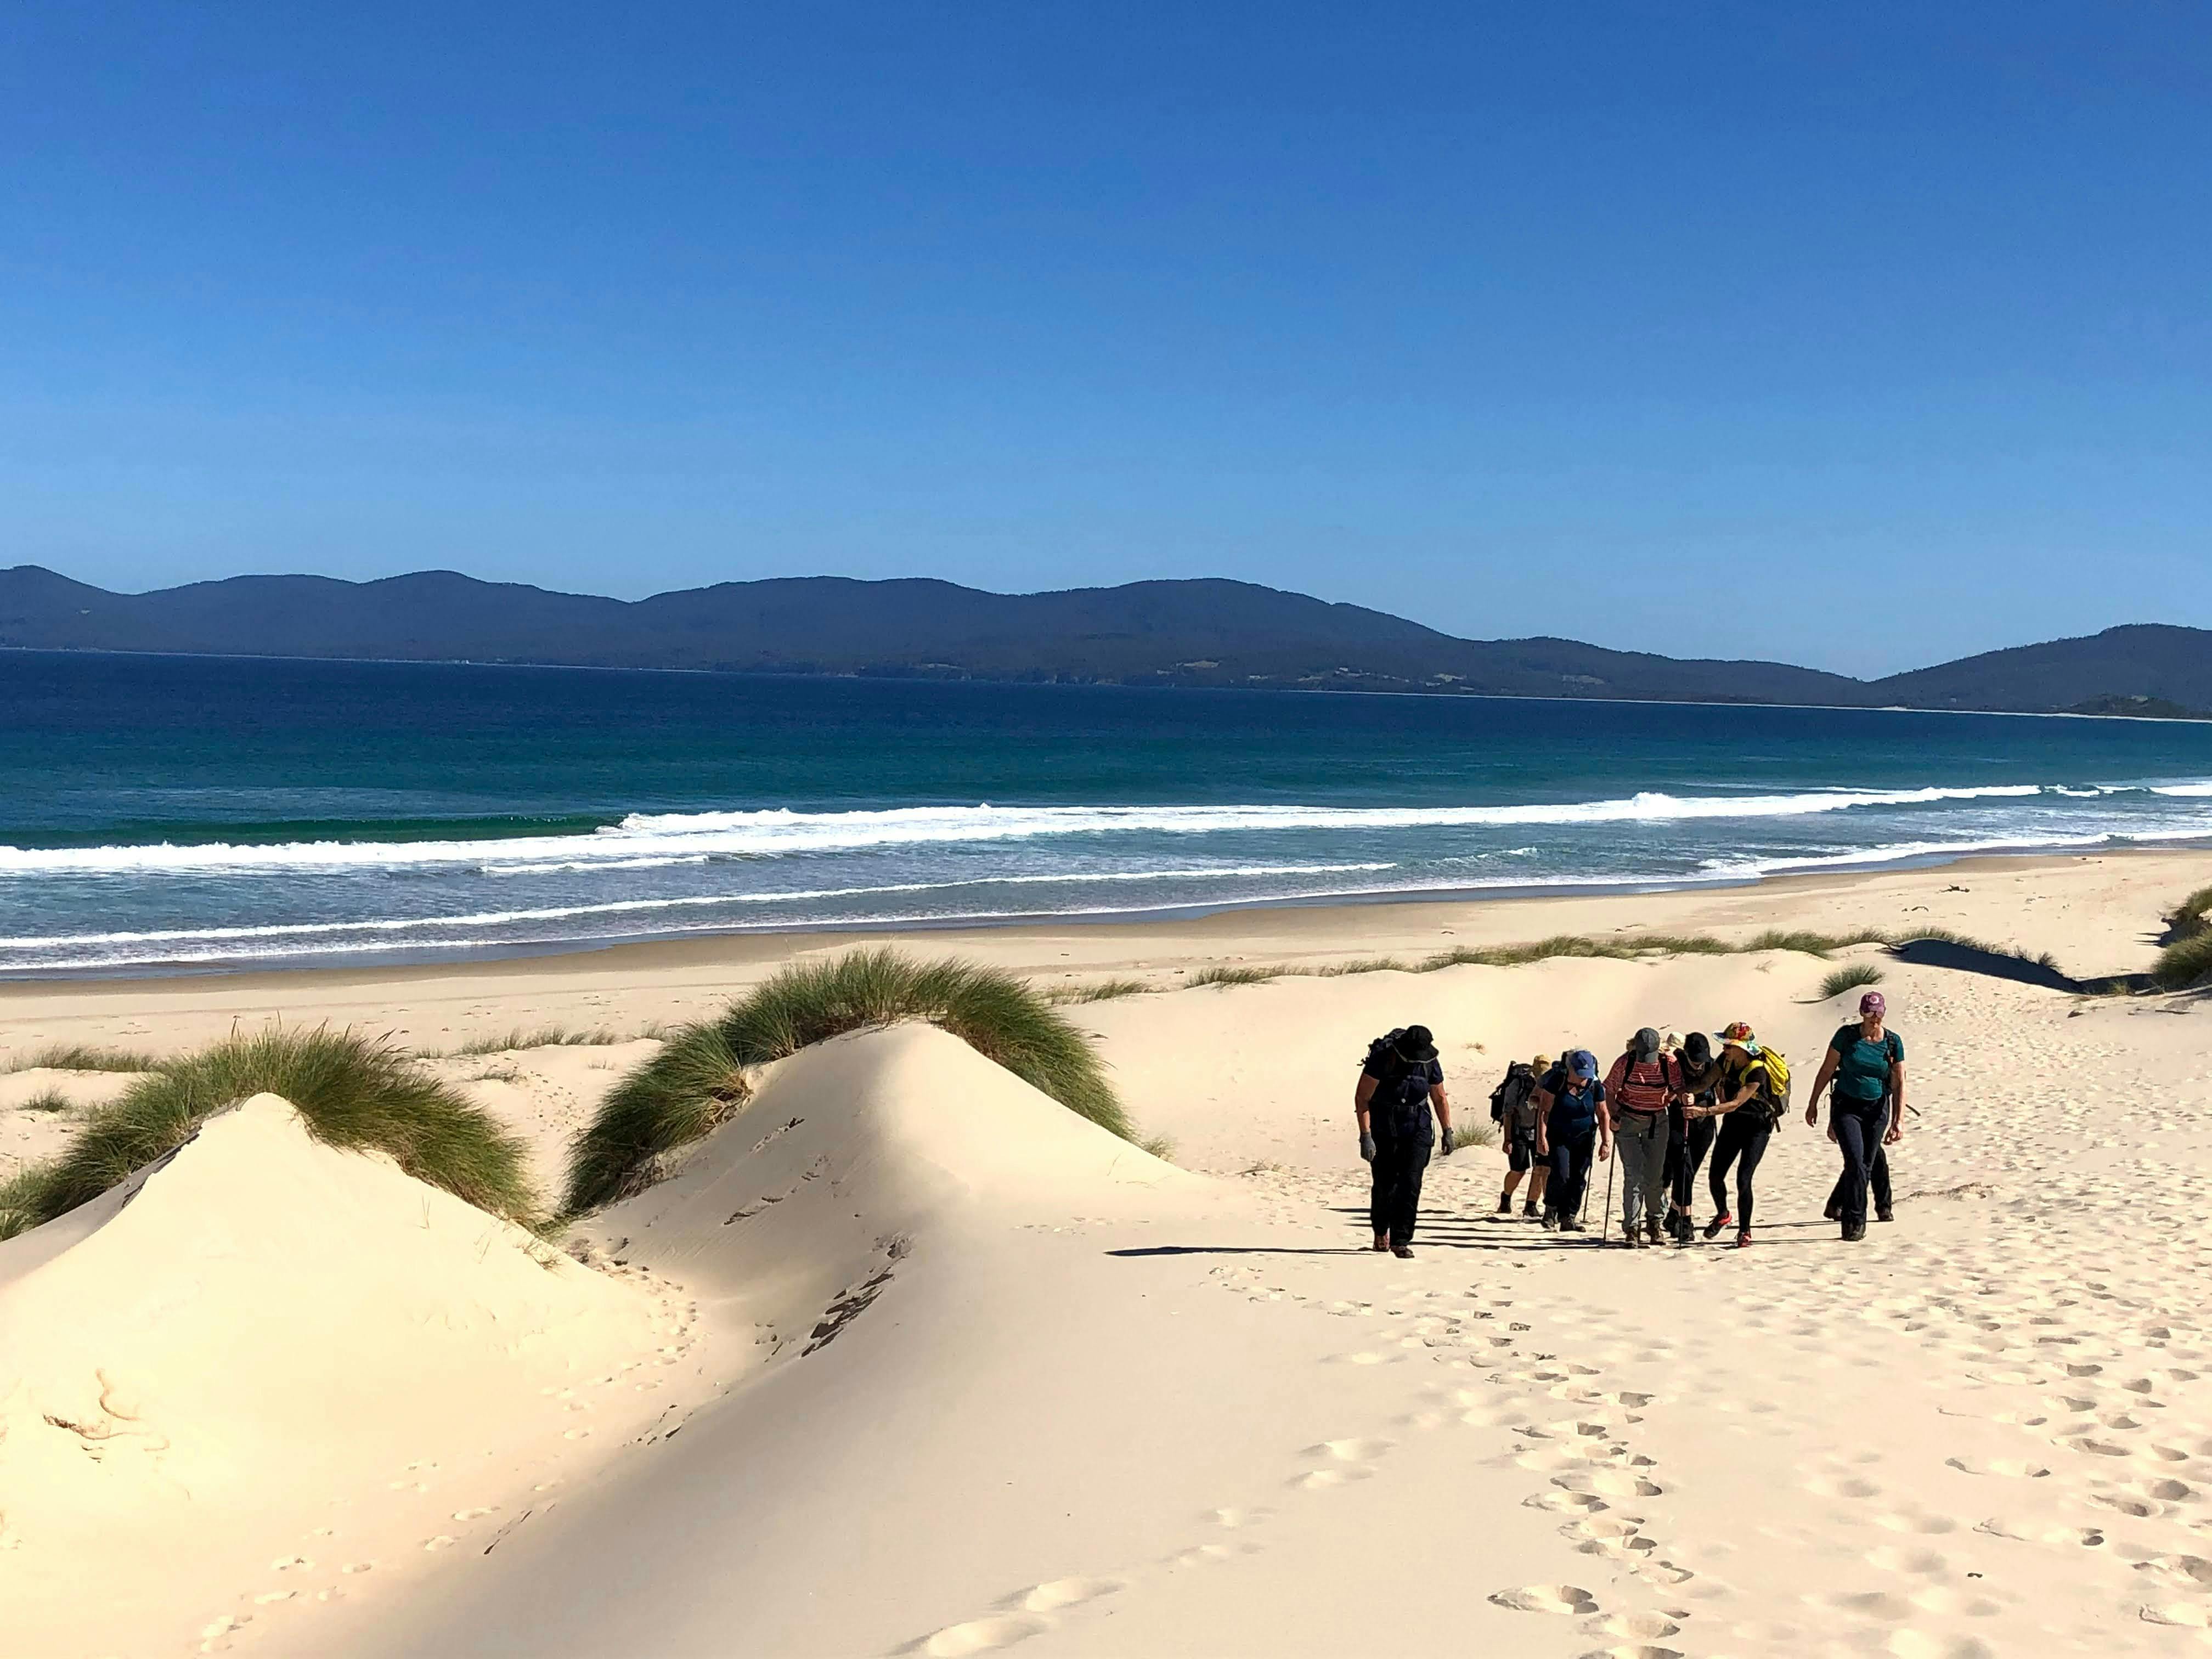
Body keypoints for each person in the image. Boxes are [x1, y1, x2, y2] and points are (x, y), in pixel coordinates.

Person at [1808, 990, 1906, 1242]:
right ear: (1862, 1013)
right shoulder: (1846, 1037)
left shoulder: (1893, 1042)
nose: (1875, 1018)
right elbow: (1827, 1069)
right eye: (1870, 1012)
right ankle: (1854, 1220)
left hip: (1876, 1109)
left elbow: (1899, 1082)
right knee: (1855, 1162)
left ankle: (1844, 1205)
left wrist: (1898, 1120)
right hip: (1846, 1106)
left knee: (1866, 1164)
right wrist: (1813, 1103)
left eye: (1879, 1013)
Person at [1356, 1025, 1453, 1259]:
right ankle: (1381, 1231)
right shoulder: (1382, 1059)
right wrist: (1366, 1136)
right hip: (1384, 1128)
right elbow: (1362, 1097)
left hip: (1418, 1127)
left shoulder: (1430, 1062)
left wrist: (1447, 1130)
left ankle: (1401, 1240)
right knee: (1385, 1184)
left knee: (1411, 1183)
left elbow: (1439, 1097)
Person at [1701, 1023, 1784, 1248]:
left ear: (1743, 1047)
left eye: (1730, 1045)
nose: (1726, 1048)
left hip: (1757, 1128)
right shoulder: (1725, 1060)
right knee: (1715, 1176)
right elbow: (1705, 1083)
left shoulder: (1757, 1070)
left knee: (1743, 1178)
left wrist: (1704, 1111)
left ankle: (1745, 1231)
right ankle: (1723, 1214)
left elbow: (1735, 1103)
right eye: (1725, 1044)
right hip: (1733, 1125)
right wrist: (1682, 1093)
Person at [1602, 1028, 1681, 1248]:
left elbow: (1678, 1087)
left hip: (1657, 1121)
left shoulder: (1669, 1063)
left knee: (1655, 1176)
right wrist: (1614, 1114)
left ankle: (1655, 1223)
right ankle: (1632, 1227)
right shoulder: (1624, 1062)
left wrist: (1673, 1097)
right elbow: (1609, 1090)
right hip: (1628, 1120)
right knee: (1634, 1175)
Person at [1531, 1049, 1609, 1234]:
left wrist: (1606, 1142)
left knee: (1579, 1178)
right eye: (1580, 1073)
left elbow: (1603, 1113)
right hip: (1559, 1136)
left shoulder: (1595, 1085)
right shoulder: (1557, 1081)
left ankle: (1569, 1217)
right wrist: (1541, 1138)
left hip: (1585, 1138)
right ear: (1570, 1069)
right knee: (1561, 1174)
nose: (1583, 1078)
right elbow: (1544, 1111)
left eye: (1586, 1074)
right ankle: (1551, 1210)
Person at [1663, 1030, 1725, 1244]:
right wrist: (1680, 1094)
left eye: (1701, 1061)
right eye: (1694, 1061)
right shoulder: (1673, 1064)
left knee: (1688, 1174)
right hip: (1678, 1126)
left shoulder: (1713, 1065)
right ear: (1685, 1053)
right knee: (1684, 1170)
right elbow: (1666, 1092)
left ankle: (1673, 1214)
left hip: (1705, 1126)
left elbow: (1721, 1094)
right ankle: (1685, 1221)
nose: (1698, 1065)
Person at [1491, 1054, 1550, 1219]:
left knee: (1540, 1169)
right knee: (1519, 1170)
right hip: (1519, 1132)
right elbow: (1508, 1113)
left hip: (1540, 1132)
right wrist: (1507, 1140)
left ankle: (1531, 1206)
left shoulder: (1550, 1083)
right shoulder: (1518, 1084)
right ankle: (1506, 1197)